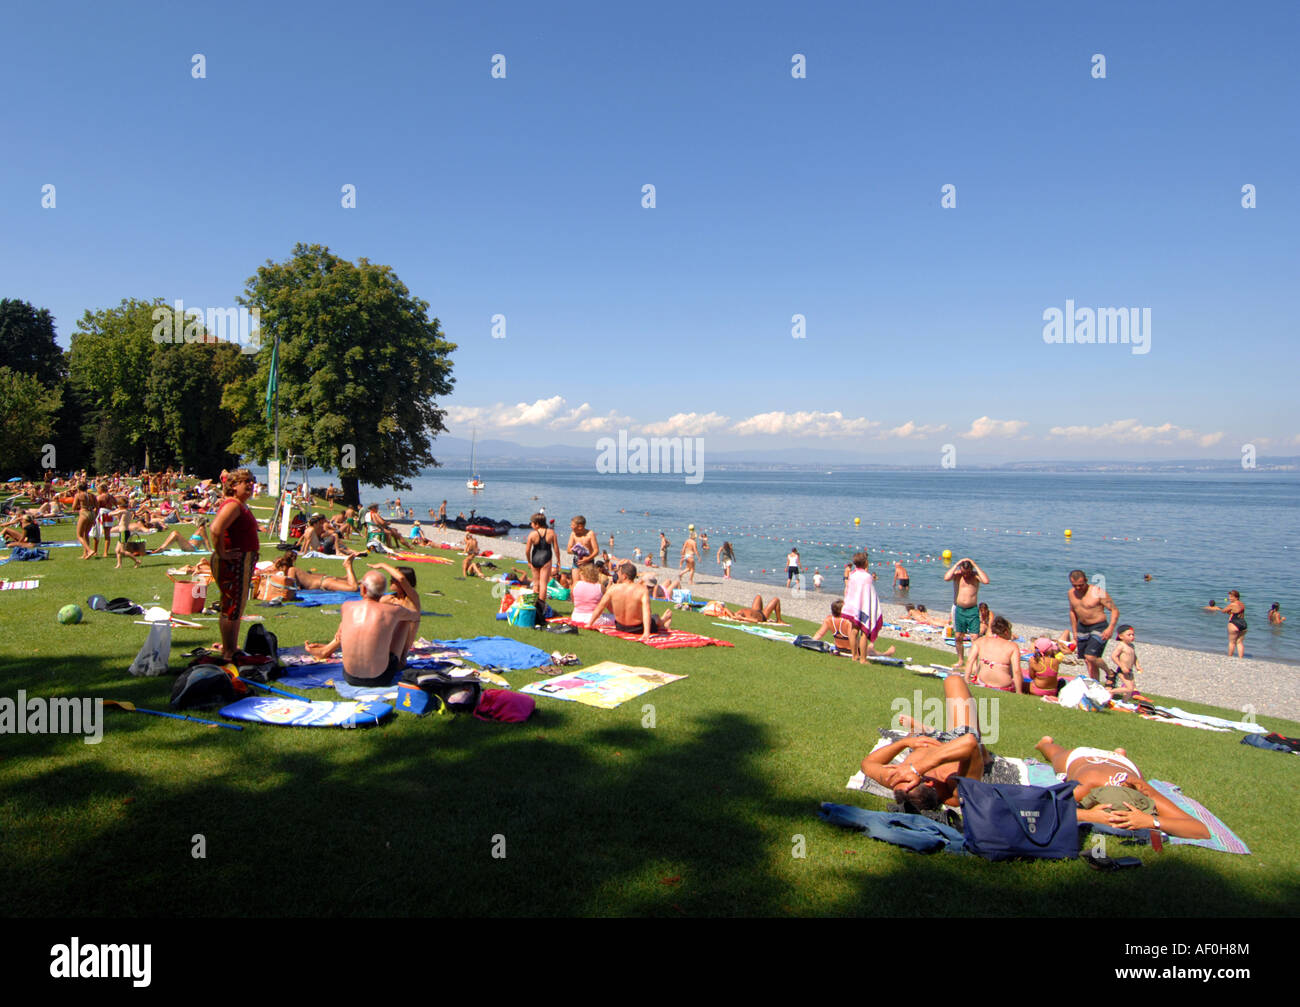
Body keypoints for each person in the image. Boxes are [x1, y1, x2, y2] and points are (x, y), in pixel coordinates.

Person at [1034, 737, 1210, 839]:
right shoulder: (1087, 785)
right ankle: (1044, 742)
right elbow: (1039, 809)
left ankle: (1119, 754)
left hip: (1122, 765)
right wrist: (1089, 815)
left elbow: (1201, 830)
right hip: (1083, 757)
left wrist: (1151, 822)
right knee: (1055, 754)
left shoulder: (1142, 790)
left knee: (1058, 755)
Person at [861, 675, 990, 812]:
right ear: (929, 782)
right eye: (904, 775)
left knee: (951, 679)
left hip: (923, 741)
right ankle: (985, 755)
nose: (898, 773)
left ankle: (922, 730)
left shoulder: (899, 782)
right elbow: (969, 743)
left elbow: (867, 765)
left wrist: (905, 742)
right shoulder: (956, 792)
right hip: (959, 740)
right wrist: (917, 769)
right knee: (954, 680)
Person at [305, 570, 420, 686]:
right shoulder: (393, 610)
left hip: (350, 676)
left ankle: (327, 649)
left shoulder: (347, 606)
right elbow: (415, 615)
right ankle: (401, 661)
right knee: (404, 620)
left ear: (363, 589)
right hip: (381, 678)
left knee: (351, 623)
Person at [208, 469, 261, 660]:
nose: (250, 485)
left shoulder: (240, 505)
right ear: (233, 485)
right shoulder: (233, 505)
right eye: (245, 481)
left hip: (242, 562)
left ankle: (230, 647)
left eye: (252, 481)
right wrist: (222, 552)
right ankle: (229, 651)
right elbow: (215, 529)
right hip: (233, 563)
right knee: (232, 606)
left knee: (235, 606)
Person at [586, 562, 674, 641]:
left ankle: (663, 622)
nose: (617, 575)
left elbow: (601, 607)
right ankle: (663, 622)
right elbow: (646, 612)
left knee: (654, 617)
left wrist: (590, 623)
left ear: (624, 576)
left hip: (620, 627)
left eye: (619, 573)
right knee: (655, 617)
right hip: (638, 629)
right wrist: (646, 632)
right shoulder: (642, 590)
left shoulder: (613, 588)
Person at [1067, 569, 1120, 681]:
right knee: (1087, 661)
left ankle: (1110, 673)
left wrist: (1110, 628)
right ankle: (1095, 683)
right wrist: (1075, 631)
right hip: (1082, 627)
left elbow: (1114, 610)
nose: (1078, 588)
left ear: (1086, 580)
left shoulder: (1098, 592)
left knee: (1090, 656)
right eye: (1075, 585)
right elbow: (1072, 612)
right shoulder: (1071, 593)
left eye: (1081, 585)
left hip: (1099, 626)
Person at [943, 557, 989, 669]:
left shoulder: (975, 576)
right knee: (958, 636)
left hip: (972, 610)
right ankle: (960, 660)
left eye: (967, 572)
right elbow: (946, 578)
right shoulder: (958, 575)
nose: (966, 575)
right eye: (964, 572)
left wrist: (975, 564)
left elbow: (986, 581)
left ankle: (973, 663)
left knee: (974, 637)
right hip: (959, 609)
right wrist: (956, 564)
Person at [842, 551, 885, 665]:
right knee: (864, 632)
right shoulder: (867, 577)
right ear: (866, 562)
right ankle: (863, 659)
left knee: (854, 630)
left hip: (853, 606)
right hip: (864, 607)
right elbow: (869, 594)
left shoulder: (853, 575)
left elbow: (852, 591)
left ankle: (854, 656)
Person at [964, 615, 1023, 693]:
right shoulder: (1013, 646)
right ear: (1006, 632)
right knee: (1019, 674)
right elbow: (1016, 671)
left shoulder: (980, 641)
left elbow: (970, 661)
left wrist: (966, 680)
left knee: (982, 662)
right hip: (1003, 686)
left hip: (983, 682)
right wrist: (1019, 692)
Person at [524, 513, 558, 622]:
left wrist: (529, 561)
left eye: (532, 523)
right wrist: (559, 561)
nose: (531, 525)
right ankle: (541, 607)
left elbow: (527, 550)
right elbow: (556, 548)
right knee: (543, 584)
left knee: (536, 584)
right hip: (546, 558)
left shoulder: (532, 534)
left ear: (537, 524)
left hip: (535, 558)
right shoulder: (551, 532)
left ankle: (534, 605)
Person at [1209, 591, 1247, 658]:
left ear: (1236, 597)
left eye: (1231, 597)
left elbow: (1223, 611)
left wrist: (1228, 610)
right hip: (1243, 623)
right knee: (1239, 642)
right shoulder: (1242, 604)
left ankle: (1230, 657)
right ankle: (1241, 658)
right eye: (1229, 597)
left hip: (1234, 622)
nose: (1229, 598)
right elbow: (1238, 611)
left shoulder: (1232, 604)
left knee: (1232, 642)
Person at [1108, 625, 1141, 699]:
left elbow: (1134, 656)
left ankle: (1125, 702)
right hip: (1122, 670)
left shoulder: (1131, 646)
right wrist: (1122, 666)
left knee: (1131, 688)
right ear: (1121, 636)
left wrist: (1137, 665)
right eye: (1129, 635)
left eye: (1133, 635)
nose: (1132, 636)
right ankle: (1111, 691)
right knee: (1129, 688)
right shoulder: (1121, 646)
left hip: (1129, 670)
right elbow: (1114, 656)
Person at [716, 595, 784, 624]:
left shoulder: (735, 614)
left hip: (755, 610)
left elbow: (726, 609)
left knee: (758, 596)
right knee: (776, 600)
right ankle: (779, 620)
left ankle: (765, 610)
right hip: (763, 615)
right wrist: (743, 618)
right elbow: (756, 620)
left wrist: (732, 616)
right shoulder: (744, 617)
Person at [73, 482, 96, 559]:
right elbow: (97, 506)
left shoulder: (78, 495)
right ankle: (85, 554)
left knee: (79, 535)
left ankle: (89, 550)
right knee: (86, 534)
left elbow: (74, 507)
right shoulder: (92, 495)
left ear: (79, 488)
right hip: (92, 513)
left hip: (84, 513)